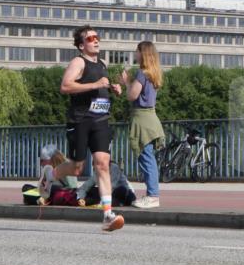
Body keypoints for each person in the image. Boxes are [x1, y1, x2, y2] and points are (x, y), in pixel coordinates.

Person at [53, 27, 125, 232]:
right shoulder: (78, 62)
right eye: (91, 38)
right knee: (77, 168)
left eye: (97, 37)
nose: (96, 40)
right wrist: (95, 85)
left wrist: (113, 88)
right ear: (81, 45)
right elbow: (65, 86)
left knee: (102, 164)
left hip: (100, 120)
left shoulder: (103, 64)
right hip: (80, 120)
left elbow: (100, 86)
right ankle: (51, 175)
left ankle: (107, 214)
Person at [120, 41, 165, 209]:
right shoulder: (153, 73)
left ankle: (152, 196)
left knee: (146, 158)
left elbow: (132, 95)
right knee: (149, 157)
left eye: (137, 51)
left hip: (142, 119)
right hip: (151, 118)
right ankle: (152, 194)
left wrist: (126, 82)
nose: (135, 54)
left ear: (143, 53)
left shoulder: (142, 73)